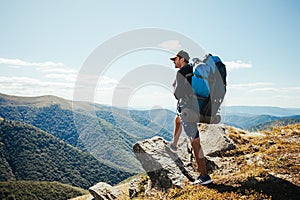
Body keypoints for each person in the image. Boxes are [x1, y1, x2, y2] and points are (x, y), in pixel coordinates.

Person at [168, 50, 212, 185]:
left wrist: (175, 83)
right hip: (196, 106)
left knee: (195, 140)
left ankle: (204, 176)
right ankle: (174, 145)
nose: (174, 62)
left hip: (188, 109)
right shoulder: (192, 69)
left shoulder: (182, 72)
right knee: (178, 118)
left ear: (182, 59)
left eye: (175, 59)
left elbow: (177, 94)